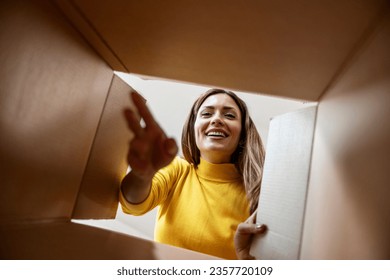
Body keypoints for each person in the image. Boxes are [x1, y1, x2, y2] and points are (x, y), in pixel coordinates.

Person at [119, 88, 267, 259]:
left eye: (229, 115)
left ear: (242, 134)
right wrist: (142, 175)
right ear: (193, 128)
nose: (217, 119)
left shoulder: (258, 194)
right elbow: (132, 204)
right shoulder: (178, 169)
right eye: (206, 114)